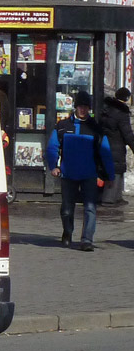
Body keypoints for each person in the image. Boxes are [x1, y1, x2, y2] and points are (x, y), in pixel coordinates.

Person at [46, 90, 114, 251]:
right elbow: (52, 147)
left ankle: (87, 240)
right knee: (67, 208)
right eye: (80, 106)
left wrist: (110, 175)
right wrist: (53, 166)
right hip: (68, 174)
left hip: (89, 174)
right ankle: (67, 232)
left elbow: (105, 152)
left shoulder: (95, 129)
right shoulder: (63, 126)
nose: (83, 110)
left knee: (90, 208)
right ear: (75, 107)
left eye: (86, 107)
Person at [98, 87, 134, 205]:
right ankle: (109, 199)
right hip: (117, 145)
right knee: (116, 169)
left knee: (111, 169)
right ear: (127, 98)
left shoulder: (107, 109)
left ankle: (117, 197)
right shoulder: (121, 113)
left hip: (105, 143)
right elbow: (127, 133)